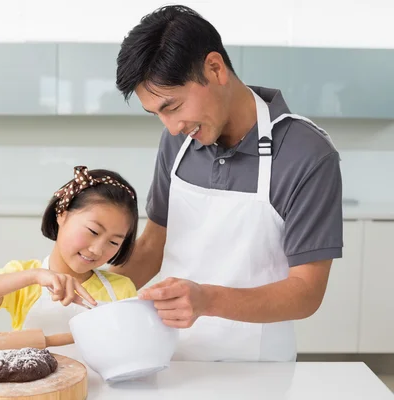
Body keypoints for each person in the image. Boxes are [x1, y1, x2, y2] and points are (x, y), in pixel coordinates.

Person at [109, 5, 343, 362]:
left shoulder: (306, 154)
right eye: (156, 114)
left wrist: (206, 300)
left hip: (258, 369)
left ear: (214, 68)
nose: (170, 127)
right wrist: (90, 287)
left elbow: (306, 292)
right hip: (169, 357)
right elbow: (154, 246)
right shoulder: (178, 141)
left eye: (172, 107)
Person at [0, 166, 139, 356]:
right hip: (34, 388)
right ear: (62, 214)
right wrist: (34, 276)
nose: (97, 249)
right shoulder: (25, 280)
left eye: (114, 242)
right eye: (93, 231)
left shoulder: (121, 289)